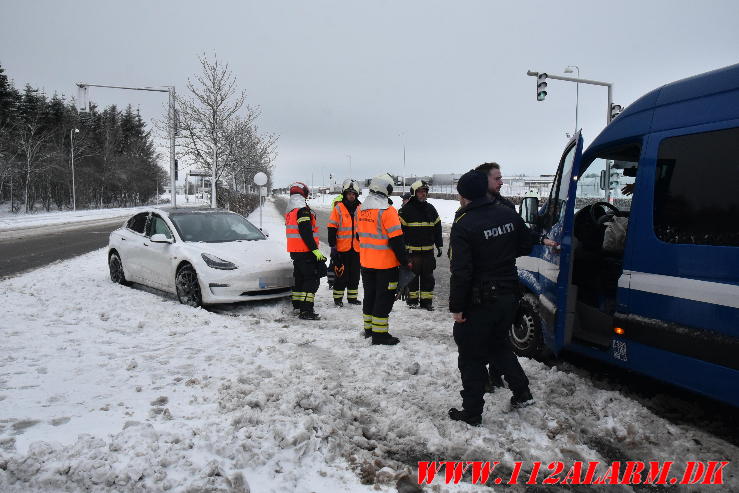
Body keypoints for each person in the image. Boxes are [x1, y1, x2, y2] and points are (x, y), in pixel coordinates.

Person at [448, 170, 535, 426]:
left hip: (480, 301)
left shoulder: (465, 224)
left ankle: (472, 412)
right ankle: (523, 393)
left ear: (464, 195)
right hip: (509, 294)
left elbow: (461, 272)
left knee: (471, 355)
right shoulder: (507, 213)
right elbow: (526, 245)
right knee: (498, 345)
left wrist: (457, 307)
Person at [474, 162, 558, 392]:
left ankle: (494, 376)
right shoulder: (473, 209)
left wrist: (542, 240)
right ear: (484, 181)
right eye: (497, 178)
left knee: (496, 337)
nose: (502, 182)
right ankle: (492, 381)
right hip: (484, 284)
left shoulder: (503, 207)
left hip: (500, 283)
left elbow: (522, 233)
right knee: (484, 337)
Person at [356, 173, 409, 345]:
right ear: (386, 188)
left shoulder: (360, 209)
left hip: (366, 264)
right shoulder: (388, 211)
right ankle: (380, 335)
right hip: (386, 266)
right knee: (384, 298)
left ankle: (369, 330)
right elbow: (397, 241)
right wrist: (405, 262)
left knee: (370, 296)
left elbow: (358, 237)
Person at [399, 180, 443, 310]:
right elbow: (399, 233)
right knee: (412, 277)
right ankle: (412, 301)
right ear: (413, 193)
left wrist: (439, 244)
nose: (423, 194)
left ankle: (426, 302)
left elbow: (437, 228)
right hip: (412, 252)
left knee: (428, 277)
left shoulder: (431, 209)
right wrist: (402, 251)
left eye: (425, 191)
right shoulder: (405, 210)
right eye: (420, 192)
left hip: (428, 252)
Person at [285, 182, 325, 320]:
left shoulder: (291, 211)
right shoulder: (303, 210)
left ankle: (297, 305)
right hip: (306, 251)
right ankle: (306, 310)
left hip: (296, 252)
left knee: (300, 279)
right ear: (304, 194)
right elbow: (306, 233)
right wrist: (316, 252)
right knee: (311, 280)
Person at [327, 179, 362, 306]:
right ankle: (338, 299)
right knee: (341, 275)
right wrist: (333, 247)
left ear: (356, 195)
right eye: (349, 193)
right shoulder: (338, 208)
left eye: (353, 194)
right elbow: (331, 228)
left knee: (354, 276)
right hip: (342, 249)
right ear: (345, 194)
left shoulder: (361, 208)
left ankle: (352, 298)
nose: (351, 196)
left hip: (356, 249)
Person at [326, 194, 344, 291]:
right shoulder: (342, 201)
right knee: (335, 263)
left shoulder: (337, 200)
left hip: (340, 243)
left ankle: (332, 281)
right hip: (338, 244)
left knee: (335, 263)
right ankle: (332, 282)